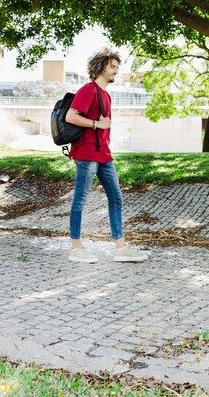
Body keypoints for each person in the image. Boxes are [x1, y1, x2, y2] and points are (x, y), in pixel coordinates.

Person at [65, 48, 148, 263]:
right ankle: (76, 247)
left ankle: (120, 248)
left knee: (116, 197)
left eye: (117, 67)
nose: (116, 71)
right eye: (112, 67)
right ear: (101, 66)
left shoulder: (105, 94)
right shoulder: (88, 90)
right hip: (87, 153)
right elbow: (70, 116)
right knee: (80, 199)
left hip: (103, 154)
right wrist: (96, 124)